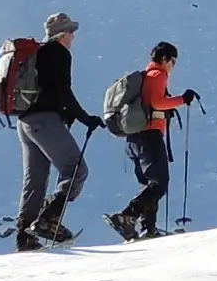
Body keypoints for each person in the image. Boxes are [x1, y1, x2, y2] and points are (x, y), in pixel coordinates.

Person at [16, 13, 101, 250]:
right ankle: (47, 220)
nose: (73, 36)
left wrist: (68, 113)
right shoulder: (59, 53)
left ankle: (24, 237)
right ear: (63, 34)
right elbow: (62, 89)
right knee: (76, 168)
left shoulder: (38, 53)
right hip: (44, 120)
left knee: (35, 178)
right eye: (71, 32)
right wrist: (85, 118)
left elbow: (50, 89)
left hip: (25, 122)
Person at [105, 43, 196, 242]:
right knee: (159, 182)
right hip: (150, 136)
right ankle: (128, 216)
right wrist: (182, 99)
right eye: (173, 61)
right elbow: (157, 103)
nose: (173, 65)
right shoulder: (158, 75)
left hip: (134, 138)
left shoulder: (145, 77)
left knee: (147, 183)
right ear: (164, 59)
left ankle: (149, 228)